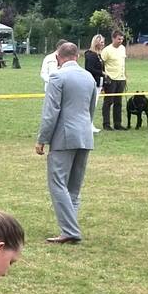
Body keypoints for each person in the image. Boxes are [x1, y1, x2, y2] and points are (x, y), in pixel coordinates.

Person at [37, 42, 97, 244]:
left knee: (58, 184)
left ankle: (70, 230)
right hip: (85, 135)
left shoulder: (57, 77)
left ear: (57, 57)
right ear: (77, 56)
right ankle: (70, 228)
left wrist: (42, 139)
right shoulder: (89, 77)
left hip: (64, 137)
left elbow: (50, 112)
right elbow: (91, 109)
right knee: (74, 187)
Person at [100, 31, 128, 130]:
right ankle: (106, 124)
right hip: (111, 79)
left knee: (118, 102)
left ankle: (117, 124)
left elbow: (122, 63)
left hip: (121, 79)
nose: (120, 41)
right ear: (113, 38)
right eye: (119, 39)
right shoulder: (107, 50)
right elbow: (101, 64)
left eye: (122, 39)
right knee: (108, 102)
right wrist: (105, 76)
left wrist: (125, 76)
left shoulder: (123, 48)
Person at [83, 35, 106, 130]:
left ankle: (90, 124)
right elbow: (89, 69)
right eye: (101, 42)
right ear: (96, 43)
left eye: (103, 42)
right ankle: (88, 125)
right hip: (92, 83)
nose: (103, 44)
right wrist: (102, 73)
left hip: (99, 82)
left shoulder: (98, 55)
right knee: (91, 105)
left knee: (94, 104)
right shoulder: (91, 55)